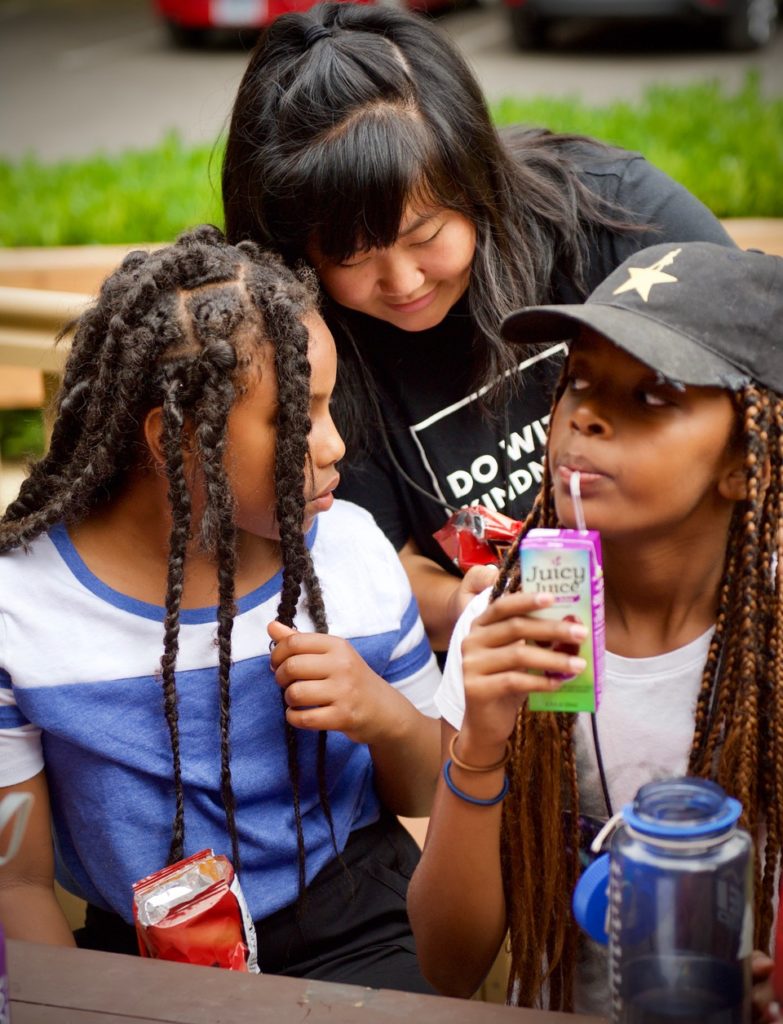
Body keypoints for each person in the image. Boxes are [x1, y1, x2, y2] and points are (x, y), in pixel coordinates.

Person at [0, 226, 442, 992]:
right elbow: (17, 886)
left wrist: (383, 716)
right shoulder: (22, 610)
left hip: (358, 925)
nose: (334, 446)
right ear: (177, 440)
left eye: (330, 410)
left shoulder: (351, 553)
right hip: (139, 959)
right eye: (299, 419)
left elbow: (429, 789)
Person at [221, 1, 737, 652]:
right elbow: (378, 563)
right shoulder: (311, 348)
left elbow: (756, 391)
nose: (403, 282)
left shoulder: (612, 217)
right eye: (350, 258)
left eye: (426, 234)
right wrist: (469, 605)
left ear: (477, 180)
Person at [405, 241, 783, 1016]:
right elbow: (448, 962)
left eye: (652, 395)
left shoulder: (770, 641)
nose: (585, 416)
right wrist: (481, 741)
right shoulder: (513, 625)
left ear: (747, 459)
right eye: (576, 380)